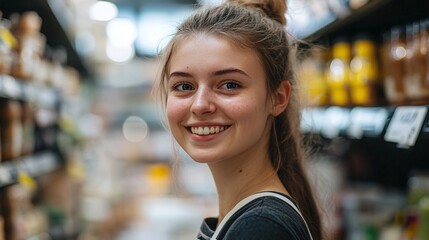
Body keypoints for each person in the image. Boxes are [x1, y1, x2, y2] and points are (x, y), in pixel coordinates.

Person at [154, 0, 322, 239]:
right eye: (184, 86)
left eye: (230, 84)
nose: (200, 104)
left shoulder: (260, 228)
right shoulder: (249, 218)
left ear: (278, 98)